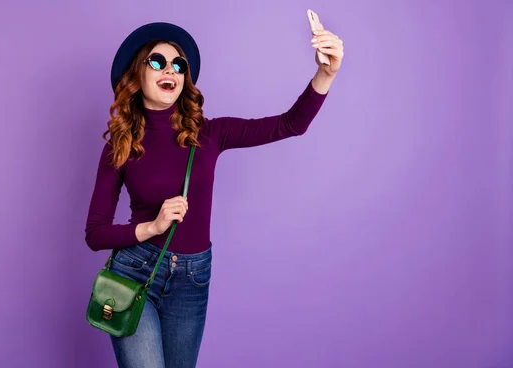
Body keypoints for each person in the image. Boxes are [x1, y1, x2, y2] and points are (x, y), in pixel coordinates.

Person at [85, 20, 344, 368]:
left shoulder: (209, 134)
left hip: (192, 280)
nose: (171, 70)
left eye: (180, 65)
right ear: (137, 75)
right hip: (136, 271)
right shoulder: (121, 146)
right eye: (158, 61)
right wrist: (152, 227)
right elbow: (95, 233)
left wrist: (325, 75)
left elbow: (290, 124)